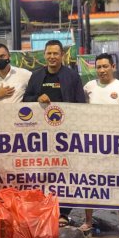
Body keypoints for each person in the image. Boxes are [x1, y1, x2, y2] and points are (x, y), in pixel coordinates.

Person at [24, 39, 85, 227]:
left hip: (65, 135)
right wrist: (37, 98)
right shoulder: (35, 76)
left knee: (66, 173)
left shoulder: (72, 76)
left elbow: (81, 105)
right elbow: (25, 100)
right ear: (44, 55)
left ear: (62, 55)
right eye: (49, 53)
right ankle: (44, 209)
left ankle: (64, 212)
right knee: (44, 172)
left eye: (55, 54)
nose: (52, 57)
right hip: (41, 136)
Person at [82, 53, 119, 237]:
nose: (102, 70)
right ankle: (88, 221)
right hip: (91, 144)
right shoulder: (88, 87)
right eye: (98, 67)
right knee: (89, 183)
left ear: (113, 67)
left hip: (115, 144)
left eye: (105, 66)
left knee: (118, 184)